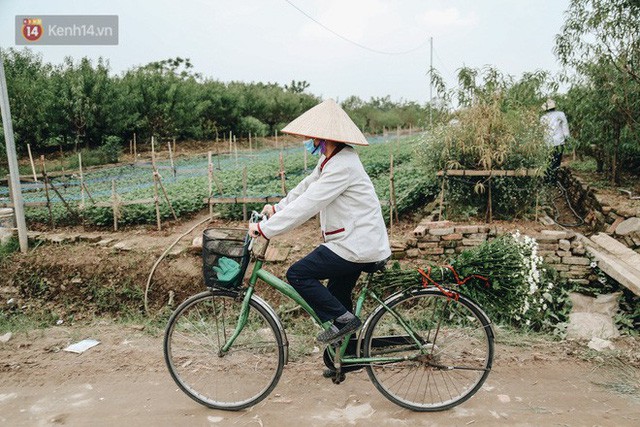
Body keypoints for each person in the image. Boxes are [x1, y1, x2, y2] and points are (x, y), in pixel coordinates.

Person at [248, 98, 391, 345]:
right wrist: (277, 208)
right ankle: (348, 356)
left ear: (325, 138)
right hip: (352, 241)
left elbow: (310, 203)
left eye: (313, 137)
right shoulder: (332, 159)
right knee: (337, 296)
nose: (310, 141)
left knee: (298, 273)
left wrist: (266, 229)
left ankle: (345, 322)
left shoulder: (342, 165)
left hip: (356, 245)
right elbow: (307, 187)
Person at [540, 98, 570, 183]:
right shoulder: (560, 114)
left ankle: (548, 179)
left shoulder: (543, 118)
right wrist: (567, 138)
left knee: (549, 161)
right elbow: (565, 126)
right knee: (557, 161)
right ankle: (553, 180)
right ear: (554, 107)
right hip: (558, 142)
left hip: (547, 142)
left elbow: (542, 131)